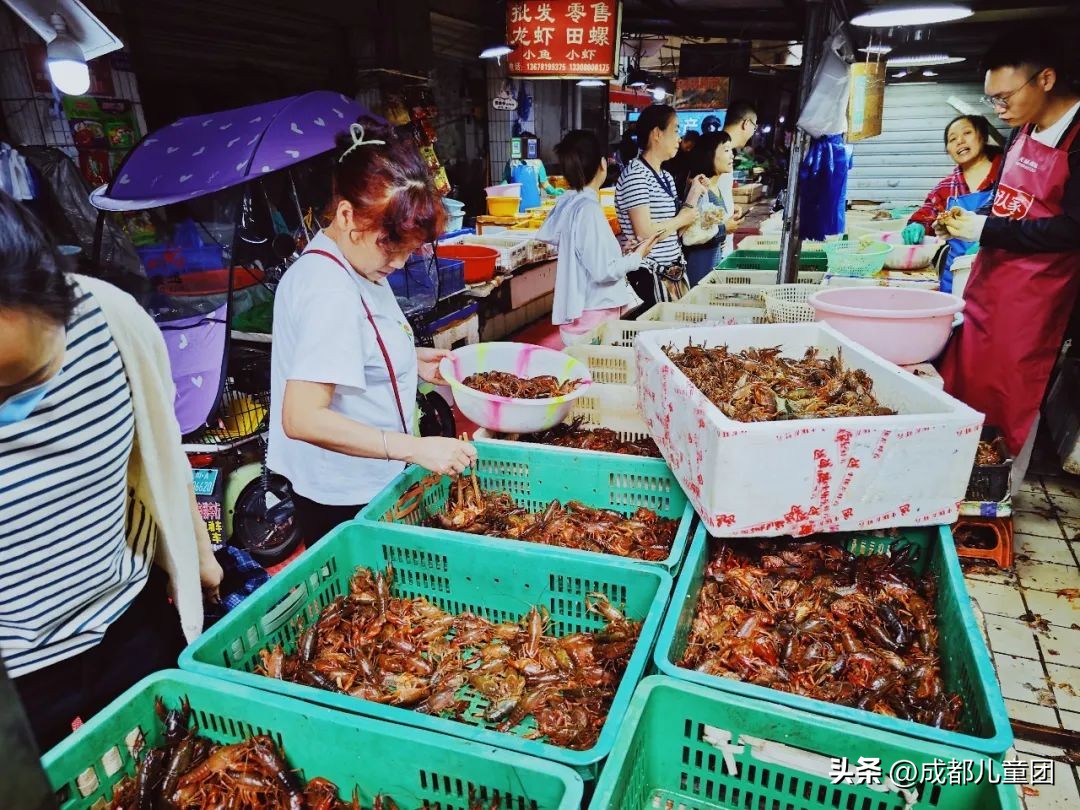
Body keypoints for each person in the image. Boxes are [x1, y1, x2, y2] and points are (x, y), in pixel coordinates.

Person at [0, 191, 222, 750]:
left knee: (179, 756)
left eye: (25, 380)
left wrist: (198, 557)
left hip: (128, 617)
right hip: (15, 677)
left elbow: (160, 455)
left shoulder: (111, 321)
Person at [269, 122, 477, 545]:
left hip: (366, 479)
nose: (399, 263)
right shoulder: (328, 287)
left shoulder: (352, 260)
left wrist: (408, 359)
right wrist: (414, 448)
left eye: (409, 250)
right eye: (391, 245)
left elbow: (348, 347)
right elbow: (302, 416)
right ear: (347, 215)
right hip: (343, 494)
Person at [937, 29, 1080, 490]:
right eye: (992, 100)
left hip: (1034, 299)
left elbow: (1074, 228)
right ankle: (954, 477)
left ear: (1046, 79)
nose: (997, 108)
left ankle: (996, 491)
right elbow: (1008, 196)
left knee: (1009, 394)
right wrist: (970, 214)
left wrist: (989, 230)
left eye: (1003, 97)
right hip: (990, 282)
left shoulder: (1077, 139)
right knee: (967, 380)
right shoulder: (1024, 130)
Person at [538, 130, 662, 346]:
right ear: (603, 164)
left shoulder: (570, 203)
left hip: (580, 314)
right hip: (593, 318)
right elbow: (602, 271)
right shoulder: (588, 210)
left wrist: (623, 253)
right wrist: (638, 256)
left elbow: (589, 257)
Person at [615, 104, 709, 310]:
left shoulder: (664, 176)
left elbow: (676, 232)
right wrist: (681, 219)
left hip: (673, 273)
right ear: (657, 133)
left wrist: (694, 193)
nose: (679, 138)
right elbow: (644, 233)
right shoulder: (636, 175)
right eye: (675, 130)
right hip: (649, 276)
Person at [908, 115, 1003, 236]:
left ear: (983, 137)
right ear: (948, 150)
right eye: (952, 139)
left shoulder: (1009, 175)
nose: (960, 141)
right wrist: (917, 225)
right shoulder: (944, 188)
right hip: (957, 255)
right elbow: (926, 215)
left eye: (967, 133)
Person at [682, 132, 742, 286]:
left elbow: (708, 223)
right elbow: (691, 234)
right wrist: (725, 228)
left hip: (712, 263)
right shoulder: (700, 187)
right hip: (699, 267)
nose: (732, 156)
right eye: (726, 150)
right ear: (710, 154)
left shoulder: (714, 187)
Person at [716, 100, 759, 254]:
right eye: (754, 127)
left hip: (721, 235)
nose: (754, 132)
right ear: (746, 124)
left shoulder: (726, 150)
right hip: (715, 241)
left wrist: (729, 206)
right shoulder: (718, 150)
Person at [663, 129, 700, 197]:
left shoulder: (689, 153)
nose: (689, 150)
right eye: (688, 147)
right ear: (683, 140)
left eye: (691, 148)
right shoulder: (673, 147)